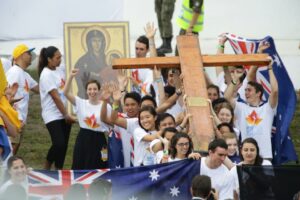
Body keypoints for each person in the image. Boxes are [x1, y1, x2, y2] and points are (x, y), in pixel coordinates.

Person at [224, 57, 278, 160]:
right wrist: (235, 80)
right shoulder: (241, 107)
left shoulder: (268, 108)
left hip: (265, 156)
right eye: (245, 90)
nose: (246, 93)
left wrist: (270, 68)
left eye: (249, 90)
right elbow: (227, 97)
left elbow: (274, 91)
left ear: (258, 93)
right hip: (246, 156)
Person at [64, 69, 111, 169]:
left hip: (99, 139)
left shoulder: (105, 105)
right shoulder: (81, 103)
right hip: (83, 138)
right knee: (80, 164)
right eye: (89, 89)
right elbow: (66, 93)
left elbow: (111, 122)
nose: (92, 91)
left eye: (95, 89)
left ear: (99, 90)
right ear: (86, 91)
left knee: (100, 164)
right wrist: (70, 76)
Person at [38, 46, 75, 170]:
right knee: (58, 143)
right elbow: (56, 97)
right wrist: (66, 115)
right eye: (57, 57)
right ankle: (46, 168)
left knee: (63, 146)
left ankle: (59, 170)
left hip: (64, 111)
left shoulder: (59, 69)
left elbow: (73, 65)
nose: (60, 60)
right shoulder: (46, 75)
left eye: (61, 57)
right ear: (49, 59)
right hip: (52, 114)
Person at [5, 44, 39, 154]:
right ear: (20, 55)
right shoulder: (14, 72)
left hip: (19, 119)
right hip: (13, 118)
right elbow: (6, 95)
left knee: (13, 151)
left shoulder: (24, 74)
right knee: (9, 151)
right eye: (28, 53)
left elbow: (40, 89)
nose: (31, 56)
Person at [75, 29, 113, 98]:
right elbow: (79, 81)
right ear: (89, 43)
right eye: (94, 41)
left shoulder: (108, 59)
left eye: (99, 41)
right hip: (89, 96)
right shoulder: (82, 61)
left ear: (102, 42)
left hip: (105, 96)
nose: (97, 44)